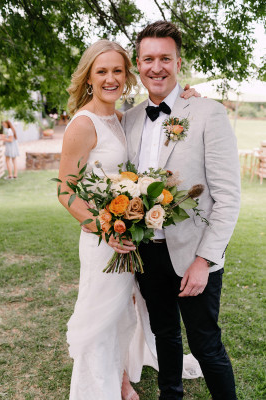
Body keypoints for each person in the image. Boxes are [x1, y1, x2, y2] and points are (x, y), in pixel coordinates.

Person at [58, 39, 200, 400]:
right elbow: (65, 190)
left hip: (128, 235)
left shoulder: (120, 118)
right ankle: (99, 388)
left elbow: (161, 123)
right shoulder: (83, 123)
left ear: (128, 75)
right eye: (101, 71)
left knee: (128, 309)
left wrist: (187, 99)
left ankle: (122, 379)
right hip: (103, 239)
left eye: (117, 70)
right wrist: (105, 228)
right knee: (103, 314)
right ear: (89, 77)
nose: (110, 78)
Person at [122, 21, 241, 400]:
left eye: (164, 58)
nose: (156, 67)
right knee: (165, 335)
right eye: (147, 59)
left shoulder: (208, 112)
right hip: (148, 252)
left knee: (206, 345)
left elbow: (228, 197)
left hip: (194, 255)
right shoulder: (131, 117)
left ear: (178, 62)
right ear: (137, 64)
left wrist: (204, 260)